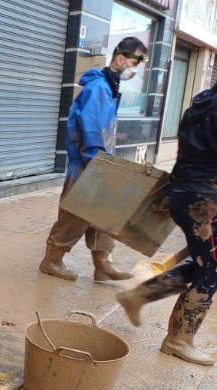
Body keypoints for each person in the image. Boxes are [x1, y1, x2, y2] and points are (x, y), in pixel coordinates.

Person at [116, 85, 217, 366]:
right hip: (204, 199)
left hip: (189, 193)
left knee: (204, 263)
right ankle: (179, 339)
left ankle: (139, 295)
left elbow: (188, 153)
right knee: (211, 267)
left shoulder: (202, 102)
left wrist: (173, 189)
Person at [39, 37, 149, 281]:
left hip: (100, 162)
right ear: (120, 59)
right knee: (75, 214)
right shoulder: (97, 88)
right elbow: (89, 128)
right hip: (88, 164)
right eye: (134, 63)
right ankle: (52, 260)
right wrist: (97, 164)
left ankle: (102, 264)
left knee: (104, 214)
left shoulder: (110, 88)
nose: (136, 70)